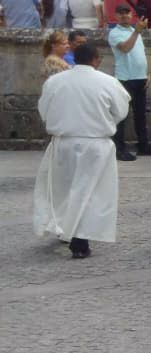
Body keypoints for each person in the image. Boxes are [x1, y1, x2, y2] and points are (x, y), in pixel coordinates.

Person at [35, 39, 129, 260]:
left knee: (66, 188)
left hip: (63, 141)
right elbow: (121, 110)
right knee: (90, 190)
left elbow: (44, 109)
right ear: (96, 60)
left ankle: (68, 229)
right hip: (95, 142)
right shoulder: (108, 82)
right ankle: (79, 236)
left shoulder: (55, 82)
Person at [105, 4, 151, 159]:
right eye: (121, 14)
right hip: (125, 78)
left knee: (141, 114)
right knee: (122, 114)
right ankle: (119, 148)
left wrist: (147, 73)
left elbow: (140, 53)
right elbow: (125, 48)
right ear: (116, 16)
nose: (125, 16)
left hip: (140, 77)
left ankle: (143, 144)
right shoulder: (115, 33)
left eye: (127, 13)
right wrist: (137, 31)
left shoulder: (135, 32)